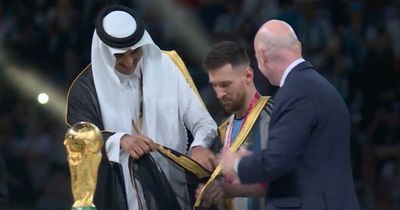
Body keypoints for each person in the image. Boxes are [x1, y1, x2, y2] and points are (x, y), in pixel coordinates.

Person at [66, 4, 217, 210]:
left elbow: (203, 122)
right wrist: (120, 140)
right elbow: (81, 140)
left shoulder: (167, 66)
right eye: (119, 56)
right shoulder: (85, 89)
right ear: (104, 52)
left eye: (135, 52)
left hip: (175, 191)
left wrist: (200, 145)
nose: (129, 62)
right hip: (121, 196)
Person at [219, 20, 361, 210]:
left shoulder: (296, 92)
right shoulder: (322, 87)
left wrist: (238, 164)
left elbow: (277, 161)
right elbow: (299, 157)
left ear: (261, 55)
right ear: (298, 47)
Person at [195, 41, 273, 210]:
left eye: (225, 84)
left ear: (248, 76)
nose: (219, 94)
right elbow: (232, 188)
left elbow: (283, 183)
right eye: (214, 85)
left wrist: (229, 190)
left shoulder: (272, 116)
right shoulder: (226, 127)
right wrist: (214, 194)